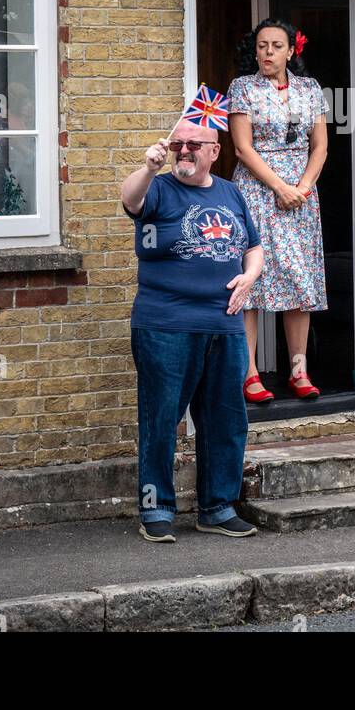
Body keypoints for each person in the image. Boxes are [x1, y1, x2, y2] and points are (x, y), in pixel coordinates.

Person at [120, 119, 265, 542]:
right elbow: (130, 200)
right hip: (165, 325)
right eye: (178, 144)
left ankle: (218, 507)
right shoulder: (159, 188)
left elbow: (253, 246)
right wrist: (148, 168)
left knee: (225, 419)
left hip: (225, 325)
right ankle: (157, 508)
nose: (183, 151)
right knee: (161, 419)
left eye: (193, 145)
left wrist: (250, 276)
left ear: (213, 152)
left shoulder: (230, 192)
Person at [227, 19, 328, 403]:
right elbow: (242, 147)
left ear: (291, 51)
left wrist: (301, 187)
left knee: (299, 278)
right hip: (257, 190)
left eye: (276, 45)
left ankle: (298, 370)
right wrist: (279, 187)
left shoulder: (310, 89)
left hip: (301, 194)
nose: (267, 52)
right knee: (254, 278)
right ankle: (249, 372)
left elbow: (319, 146)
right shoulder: (243, 88)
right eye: (262, 45)